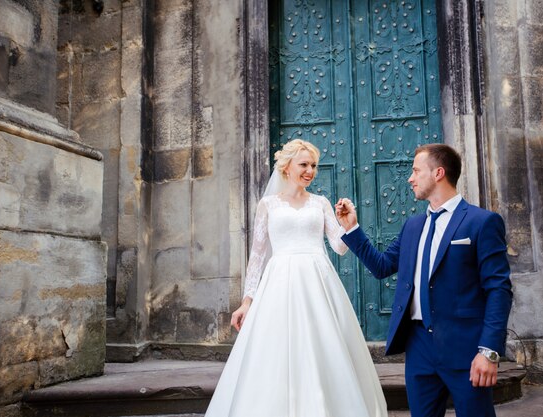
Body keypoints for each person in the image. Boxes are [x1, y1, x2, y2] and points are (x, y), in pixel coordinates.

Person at [205, 139, 388, 417]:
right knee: (276, 348)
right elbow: (257, 256)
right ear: (286, 167)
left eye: (313, 165)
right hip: (279, 283)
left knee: (321, 345)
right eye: (304, 164)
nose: (310, 170)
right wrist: (246, 302)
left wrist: (347, 222)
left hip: (317, 281)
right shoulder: (267, 205)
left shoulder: (321, 203)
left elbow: (338, 247)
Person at [335, 144, 513, 417]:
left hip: (465, 347)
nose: (411, 177)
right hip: (418, 348)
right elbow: (382, 266)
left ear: (439, 173)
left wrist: (489, 350)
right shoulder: (413, 226)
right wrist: (352, 229)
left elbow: (498, 289)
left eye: (416, 170)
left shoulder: (482, 222)